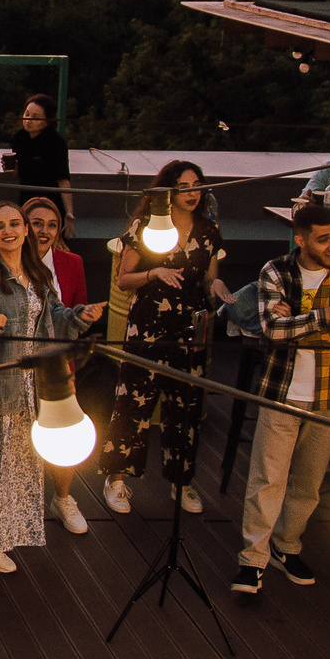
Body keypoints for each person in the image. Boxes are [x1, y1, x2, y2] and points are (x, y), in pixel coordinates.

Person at [0, 203, 104, 586]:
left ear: (26, 230)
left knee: (11, 473)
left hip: (30, 394)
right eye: (0, 227)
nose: (9, 231)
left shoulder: (38, 274)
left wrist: (80, 317)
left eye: (15, 224)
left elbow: (54, 322)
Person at [234, 203, 330, 596]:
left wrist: (296, 322)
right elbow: (271, 331)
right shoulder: (275, 271)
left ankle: (286, 545)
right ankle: (252, 559)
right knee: (267, 478)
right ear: (301, 239)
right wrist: (326, 314)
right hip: (282, 390)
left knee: (309, 481)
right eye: (323, 238)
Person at [102, 160, 230, 521]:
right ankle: (116, 477)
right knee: (134, 403)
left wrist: (215, 286)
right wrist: (155, 271)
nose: (192, 193)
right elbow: (123, 279)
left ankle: (181, 479)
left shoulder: (208, 230)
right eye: (184, 186)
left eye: (197, 185)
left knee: (185, 407)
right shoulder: (144, 226)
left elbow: (208, 278)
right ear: (167, 191)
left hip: (188, 328)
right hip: (147, 325)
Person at [22, 195, 89, 532]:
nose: (44, 231)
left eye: (51, 225)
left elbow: (78, 312)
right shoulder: (6, 262)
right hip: (17, 366)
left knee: (64, 435)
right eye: (36, 223)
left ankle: (63, 498)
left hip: (58, 367)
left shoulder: (72, 262)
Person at [4, 94, 74, 213]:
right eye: (27, 114)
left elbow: (63, 180)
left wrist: (69, 213)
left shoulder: (55, 142)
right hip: (26, 200)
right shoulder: (20, 137)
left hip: (51, 202)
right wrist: (12, 168)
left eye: (35, 118)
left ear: (47, 121)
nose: (28, 120)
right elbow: (19, 174)